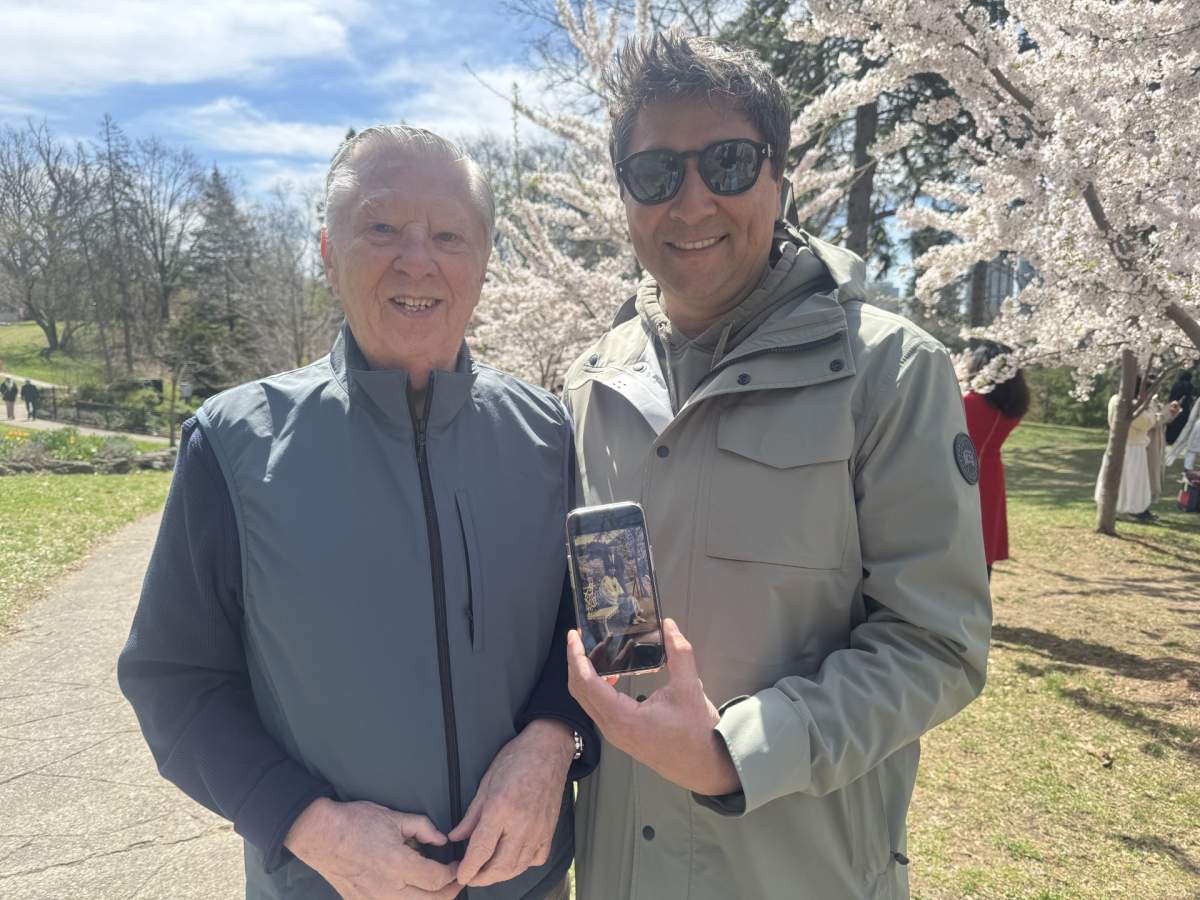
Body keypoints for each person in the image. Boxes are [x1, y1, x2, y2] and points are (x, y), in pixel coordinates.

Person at [562, 33, 991, 900]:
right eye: (655, 173)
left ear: (779, 177)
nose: (691, 202)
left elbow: (937, 642)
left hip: (797, 872)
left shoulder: (888, 371)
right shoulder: (587, 384)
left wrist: (736, 754)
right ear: (625, 195)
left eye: (727, 162)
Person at [118, 126, 597, 900]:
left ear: (483, 261)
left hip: (525, 884)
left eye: (449, 236)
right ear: (327, 253)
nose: (417, 260)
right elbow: (175, 681)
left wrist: (555, 738)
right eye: (382, 228)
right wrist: (308, 825)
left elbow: (593, 627)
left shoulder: (550, 435)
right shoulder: (233, 446)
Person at [960, 341, 1029, 578]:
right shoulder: (1013, 407)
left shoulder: (968, 402)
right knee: (985, 540)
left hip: (961, 468)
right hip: (991, 473)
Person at [1096, 381, 1180, 522]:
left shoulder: (1116, 399)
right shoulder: (1131, 404)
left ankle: (1120, 509)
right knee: (1130, 481)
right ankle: (1125, 510)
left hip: (1123, 445)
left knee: (1123, 480)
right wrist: (1160, 412)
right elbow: (1146, 422)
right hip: (1132, 447)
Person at [1165, 370, 1193, 447]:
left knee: (1171, 422)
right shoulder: (1189, 385)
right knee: (1179, 424)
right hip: (1183, 407)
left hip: (1172, 404)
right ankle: (1175, 440)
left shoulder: (1176, 384)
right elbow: (1188, 397)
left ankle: (1168, 438)